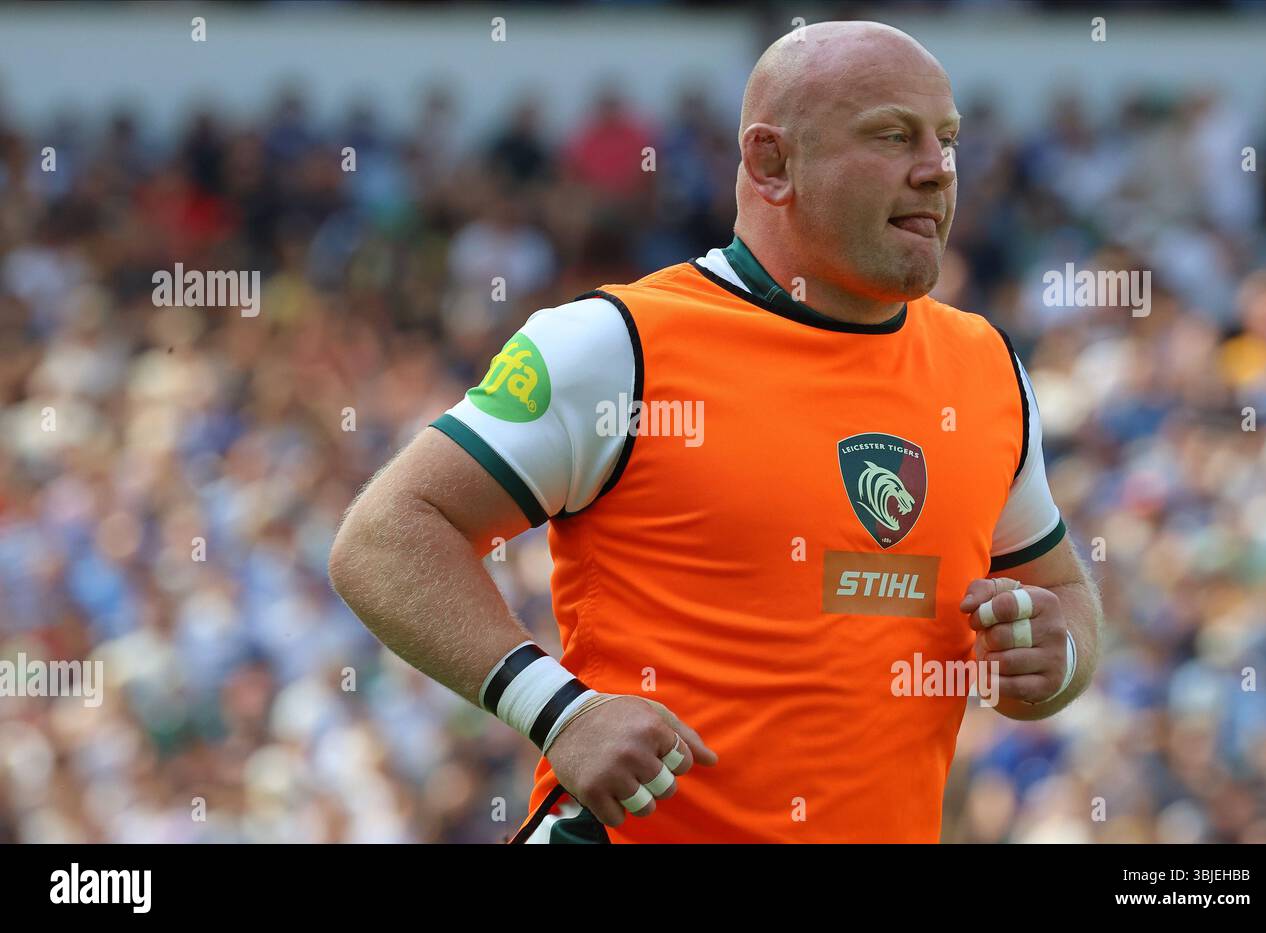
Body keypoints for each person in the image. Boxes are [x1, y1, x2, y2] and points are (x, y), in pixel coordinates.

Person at [328, 21, 1103, 843]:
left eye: (947, 140)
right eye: (891, 135)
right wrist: (559, 711)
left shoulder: (985, 367)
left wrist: (1057, 657)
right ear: (771, 163)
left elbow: (1062, 594)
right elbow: (382, 537)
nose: (936, 169)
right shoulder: (616, 343)